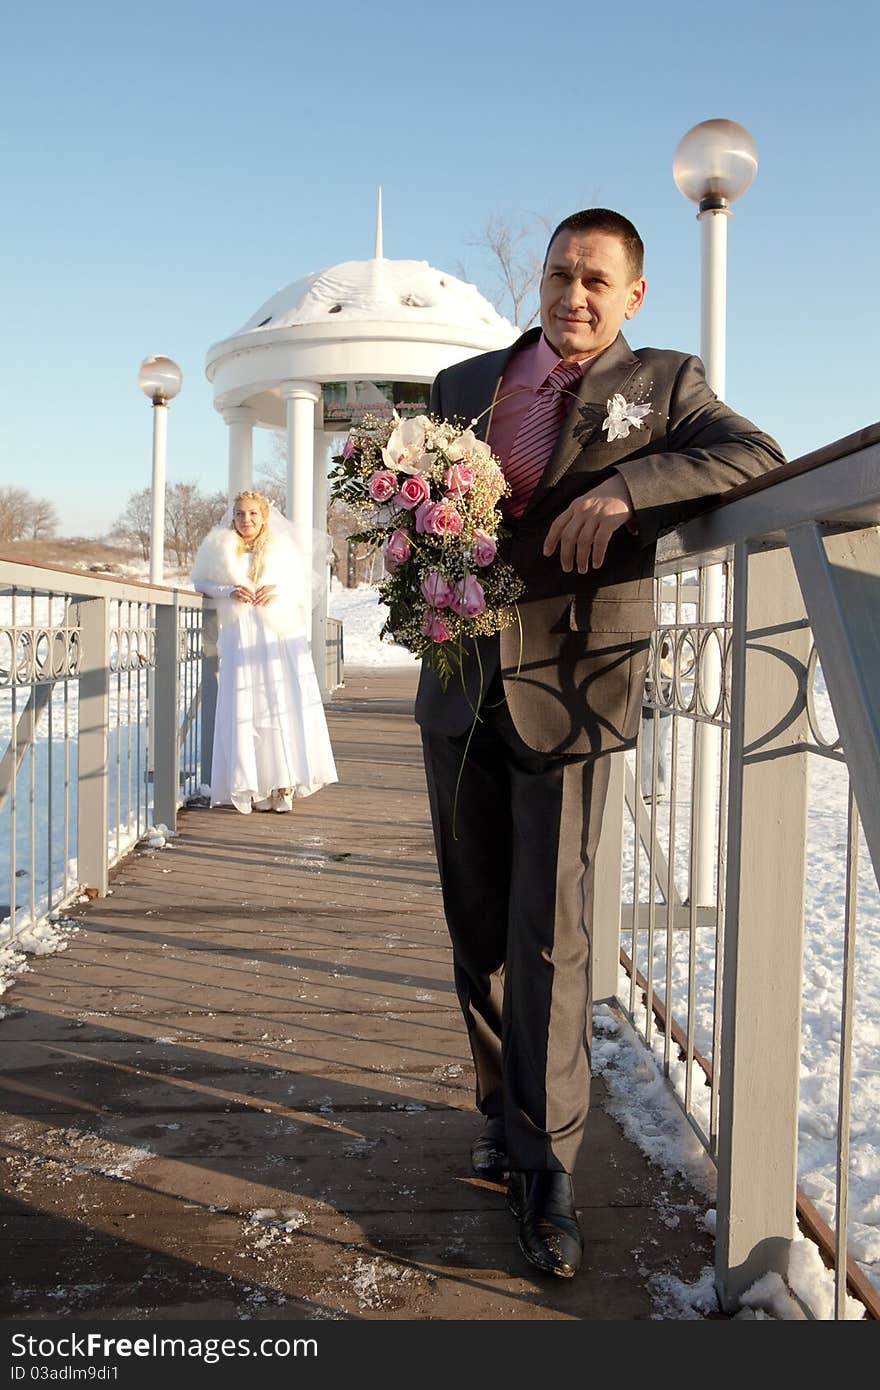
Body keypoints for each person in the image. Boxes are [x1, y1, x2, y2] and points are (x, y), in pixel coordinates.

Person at [416, 208, 784, 1278]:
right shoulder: (461, 386)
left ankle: (547, 1166)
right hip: (460, 679)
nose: (572, 295)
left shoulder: (665, 384)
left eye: (595, 280)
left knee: (554, 928)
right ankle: (498, 1103)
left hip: (576, 681)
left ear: (633, 296)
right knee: (475, 914)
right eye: (559, 273)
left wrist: (629, 489)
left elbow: (750, 452)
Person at [191, 490, 337, 814]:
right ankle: (252, 783)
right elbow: (200, 582)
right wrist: (228, 590)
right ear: (233, 516)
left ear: (264, 516)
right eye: (241, 514)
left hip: (276, 634)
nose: (246, 520)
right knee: (247, 705)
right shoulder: (220, 546)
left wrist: (278, 590)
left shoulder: (280, 547)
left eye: (253, 514)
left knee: (278, 703)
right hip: (241, 635)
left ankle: (283, 784)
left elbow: (301, 584)